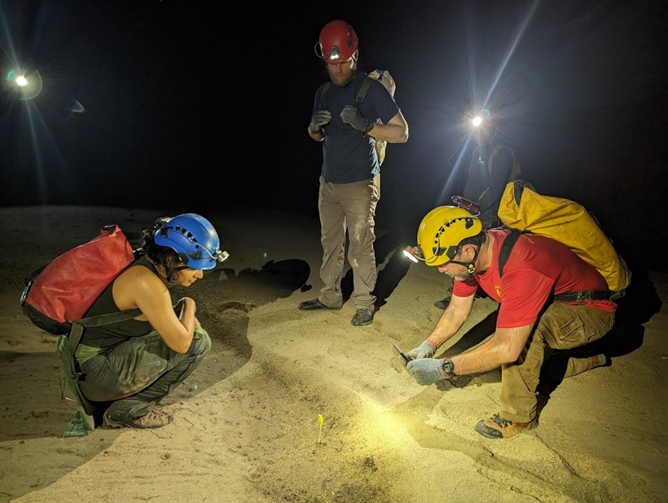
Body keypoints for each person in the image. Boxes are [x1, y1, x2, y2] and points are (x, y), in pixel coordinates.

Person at [403, 206, 615, 439]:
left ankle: (519, 418)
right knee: (520, 342)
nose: (441, 269)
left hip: (589, 310)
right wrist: (429, 345)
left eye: (443, 263)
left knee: (524, 341)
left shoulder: (521, 265)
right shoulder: (473, 259)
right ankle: (588, 361)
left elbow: (507, 349)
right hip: (552, 300)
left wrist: (443, 368)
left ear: (468, 251)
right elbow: (456, 310)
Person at [299, 19, 409, 326]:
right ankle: (330, 296)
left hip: (361, 182)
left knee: (360, 244)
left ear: (355, 56)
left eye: (343, 63)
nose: (336, 70)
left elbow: (402, 133)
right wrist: (313, 130)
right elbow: (320, 137)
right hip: (329, 182)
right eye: (331, 64)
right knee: (330, 242)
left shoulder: (372, 90)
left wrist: (366, 125)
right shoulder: (322, 92)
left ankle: (363, 302)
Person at [75, 213, 228, 429]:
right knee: (198, 342)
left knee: (180, 328)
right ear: (169, 259)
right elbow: (183, 344)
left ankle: (119, 400)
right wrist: (189, 303)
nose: (200, 275)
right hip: (94, 371)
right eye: (195, 266)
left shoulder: (142, 266)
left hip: (88, 363)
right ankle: (130, 410)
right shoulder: (146, 284)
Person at [434, 109, 521, 309]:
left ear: (494, 130)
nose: (477, 134)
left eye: (482, 130)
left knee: (476, 251)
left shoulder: (501, 152)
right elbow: (471, 179)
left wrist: (478, 209)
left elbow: (496, 187)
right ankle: (459, 293)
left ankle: (495, 294)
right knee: (462, 249)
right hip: (470, 208)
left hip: (487, 212)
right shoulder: (477, 150)